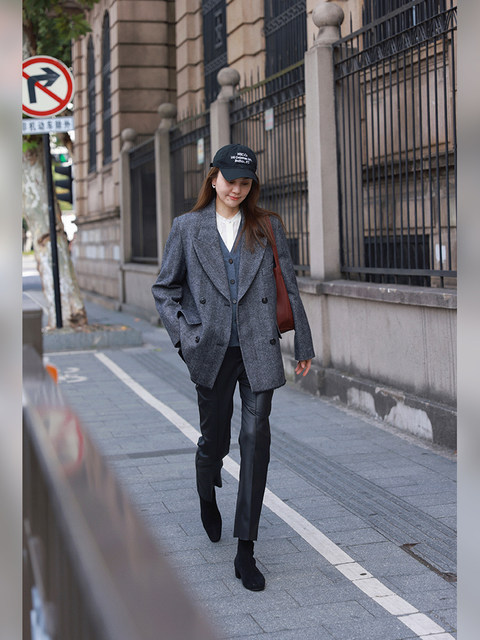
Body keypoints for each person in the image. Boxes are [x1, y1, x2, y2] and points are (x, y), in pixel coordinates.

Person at [152, 143, 314, 591]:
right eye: (230, 181)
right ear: (213, 178)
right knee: (216, 441)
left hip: (259, 347)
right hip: (211, 350)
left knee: (256, 441)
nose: (236, 190)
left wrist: (303, 341)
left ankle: (246, 550)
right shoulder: (187, 228)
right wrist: (185, 337)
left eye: (245, 183)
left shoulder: (267, 226)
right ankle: (206, 488)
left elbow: (289, 285)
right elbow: (164, 288)